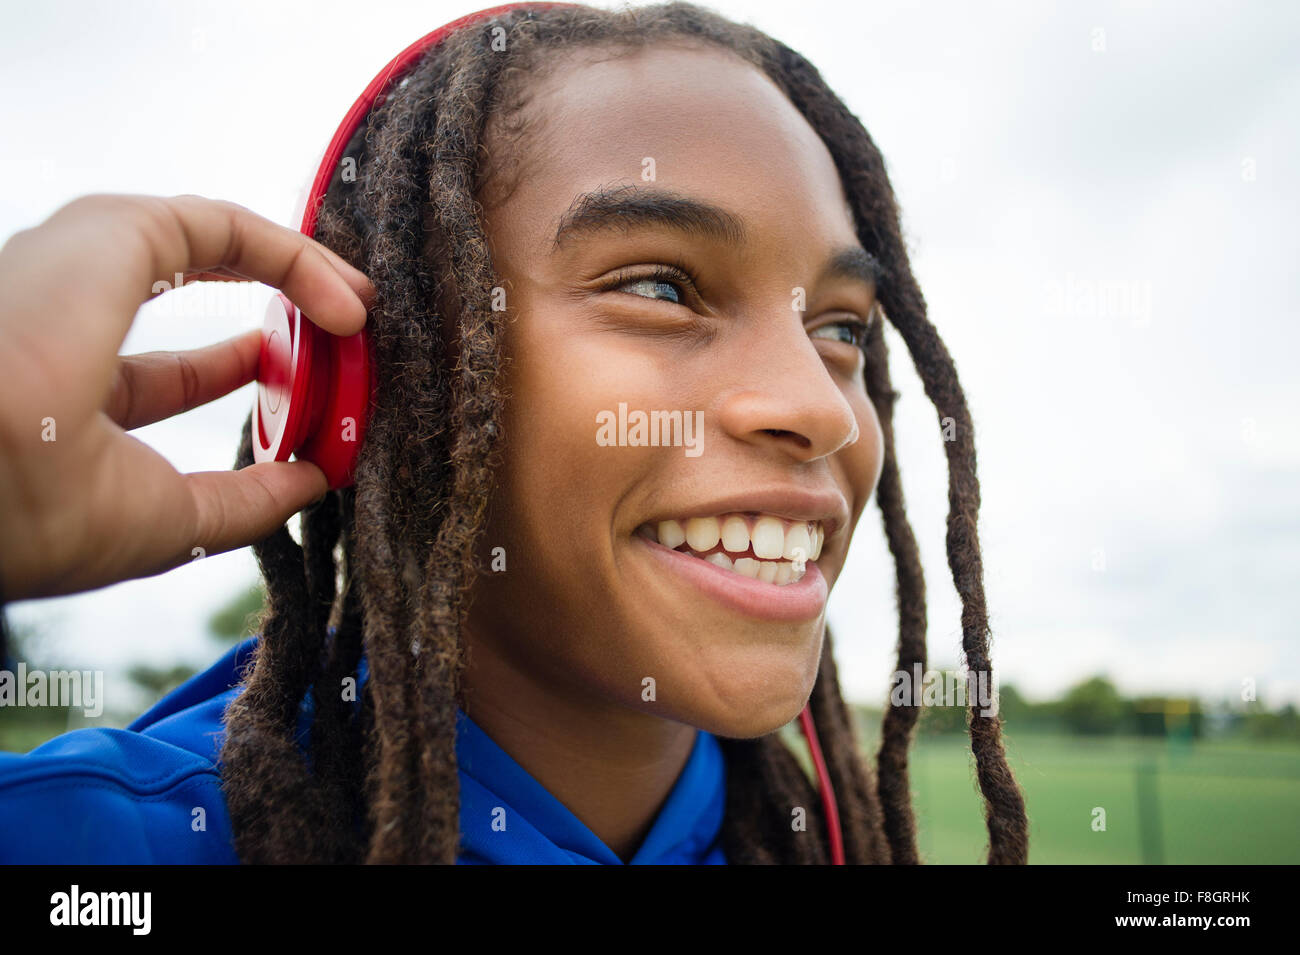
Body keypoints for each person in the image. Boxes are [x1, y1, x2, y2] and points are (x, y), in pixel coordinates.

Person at [0, 1, 1027, 864]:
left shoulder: (820, 838)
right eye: (662, 287)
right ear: (385, 372)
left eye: (837, 327)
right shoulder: (93, 844)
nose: (816, 405)